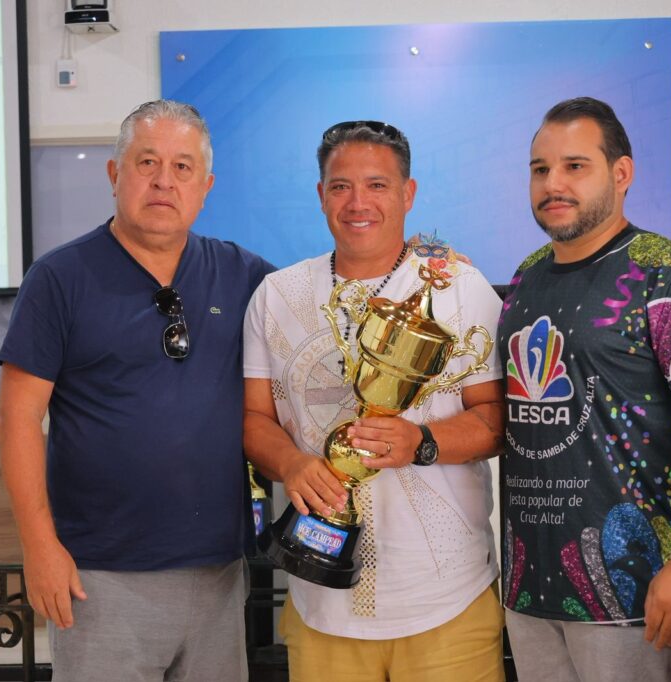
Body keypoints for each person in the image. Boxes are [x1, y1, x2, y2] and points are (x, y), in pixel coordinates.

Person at [0, 100, 275, 682]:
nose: (164, 181)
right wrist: (39, 546)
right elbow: (17, 420)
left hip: (218, 573)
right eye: (147, 162)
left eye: (182, 167)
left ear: (206, 187)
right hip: (99, 575)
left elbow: (327, 301)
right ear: (114, 173)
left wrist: (421, 272)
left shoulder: (244, 276)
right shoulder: (59, 279)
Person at [242, 120, 506, 681]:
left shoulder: (459, 287)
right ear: (321, 195)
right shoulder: (277, 295)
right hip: (320, 603)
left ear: (408, 193)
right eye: (341, 186)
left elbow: (495, 419)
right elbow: (254, 418)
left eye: (377, 185)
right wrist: (290, 463)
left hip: (446, 599)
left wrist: (423, 442)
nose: (358, 202)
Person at [498, 97, 671, 681]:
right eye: (540, 169)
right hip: (529, 588)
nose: (553, 184)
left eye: (575, 166)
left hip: (634, 595)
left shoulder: (668, 273)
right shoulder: (526, 276)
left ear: (621, 172)